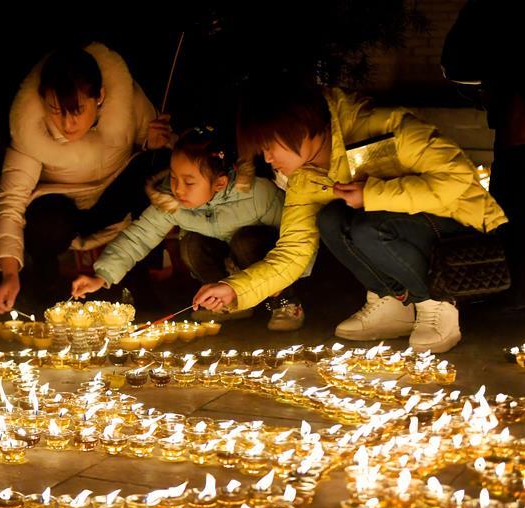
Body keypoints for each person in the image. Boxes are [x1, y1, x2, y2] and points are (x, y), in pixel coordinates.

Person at [193, 82, 507, 352]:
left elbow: (458, 180)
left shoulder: (381, 129)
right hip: (405, 230)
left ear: (301, 125)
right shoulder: (305, 179)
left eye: (270, 146)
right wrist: (235, 289)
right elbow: (294, 251)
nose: (269, 159)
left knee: (369, 225)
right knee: (330, 219)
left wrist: (372, 195)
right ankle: (394, 302)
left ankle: (437, 302)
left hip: (464, 230)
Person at [0, 43, 172, 315]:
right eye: (56, 110)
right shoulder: (31, 130)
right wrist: (9, 273)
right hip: (62, 212)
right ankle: (45, 284)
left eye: (77, 110)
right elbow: (10, 203)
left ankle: (141, 281)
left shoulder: (126, 104)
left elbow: (167, 151)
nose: (67, 124)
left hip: (113, 199)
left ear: (100, 96)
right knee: (45, 223)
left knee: (153, 168)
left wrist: (156, 143)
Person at [71, 127, 305, 331]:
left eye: (189, 182)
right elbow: (139, 237)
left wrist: (286, 280)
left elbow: (297, 240)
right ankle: (225, 304)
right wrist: (102, 276)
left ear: (220, 182)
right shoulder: (172, 202)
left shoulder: (257, 194)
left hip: (264, 265)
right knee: (191, 244)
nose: (178, 189)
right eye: (173, 178)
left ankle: (285, 301)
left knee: (245, 241)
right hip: (228, 263)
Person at [443, 0, 525, 311]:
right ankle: (512, 289)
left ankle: (513, 290)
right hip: (514, 130)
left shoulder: (487, 11)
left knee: (511, 211)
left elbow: (455, 64)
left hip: (515, 133)